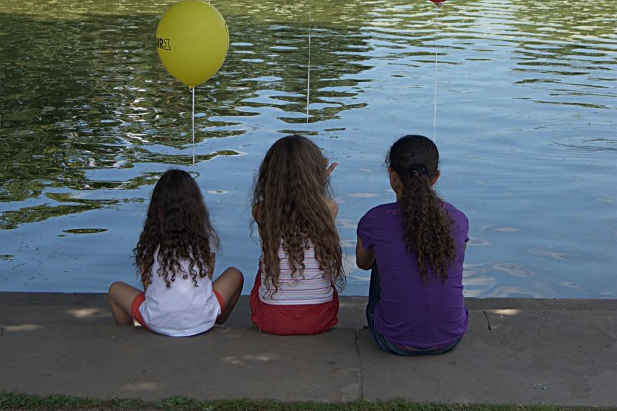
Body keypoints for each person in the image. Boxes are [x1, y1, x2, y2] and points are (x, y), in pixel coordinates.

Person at [356, 134, 469, 355]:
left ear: (392, 175)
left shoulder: (375, 219)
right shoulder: (457, 218)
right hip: (449, 338)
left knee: (381, 256)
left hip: (392, 340)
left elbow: (363, 264)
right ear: (435, 177)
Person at [108, 169, 243, 336]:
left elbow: (147, 287)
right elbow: (206, 280)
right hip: (202, 318)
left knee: (115, 289)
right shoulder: (206, 238)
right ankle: (213, 322)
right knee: (235, 274)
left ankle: (127, 335)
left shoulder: (151, 239)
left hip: (156, 321)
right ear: (195, 204)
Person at [250, 135, 344, 335]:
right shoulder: (328, 208)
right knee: (322, 261)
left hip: (271, 319)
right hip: (319, 319)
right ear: (315, 174)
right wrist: (319, 183)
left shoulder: (261, 210)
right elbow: (309, 205)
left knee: (266, 262)